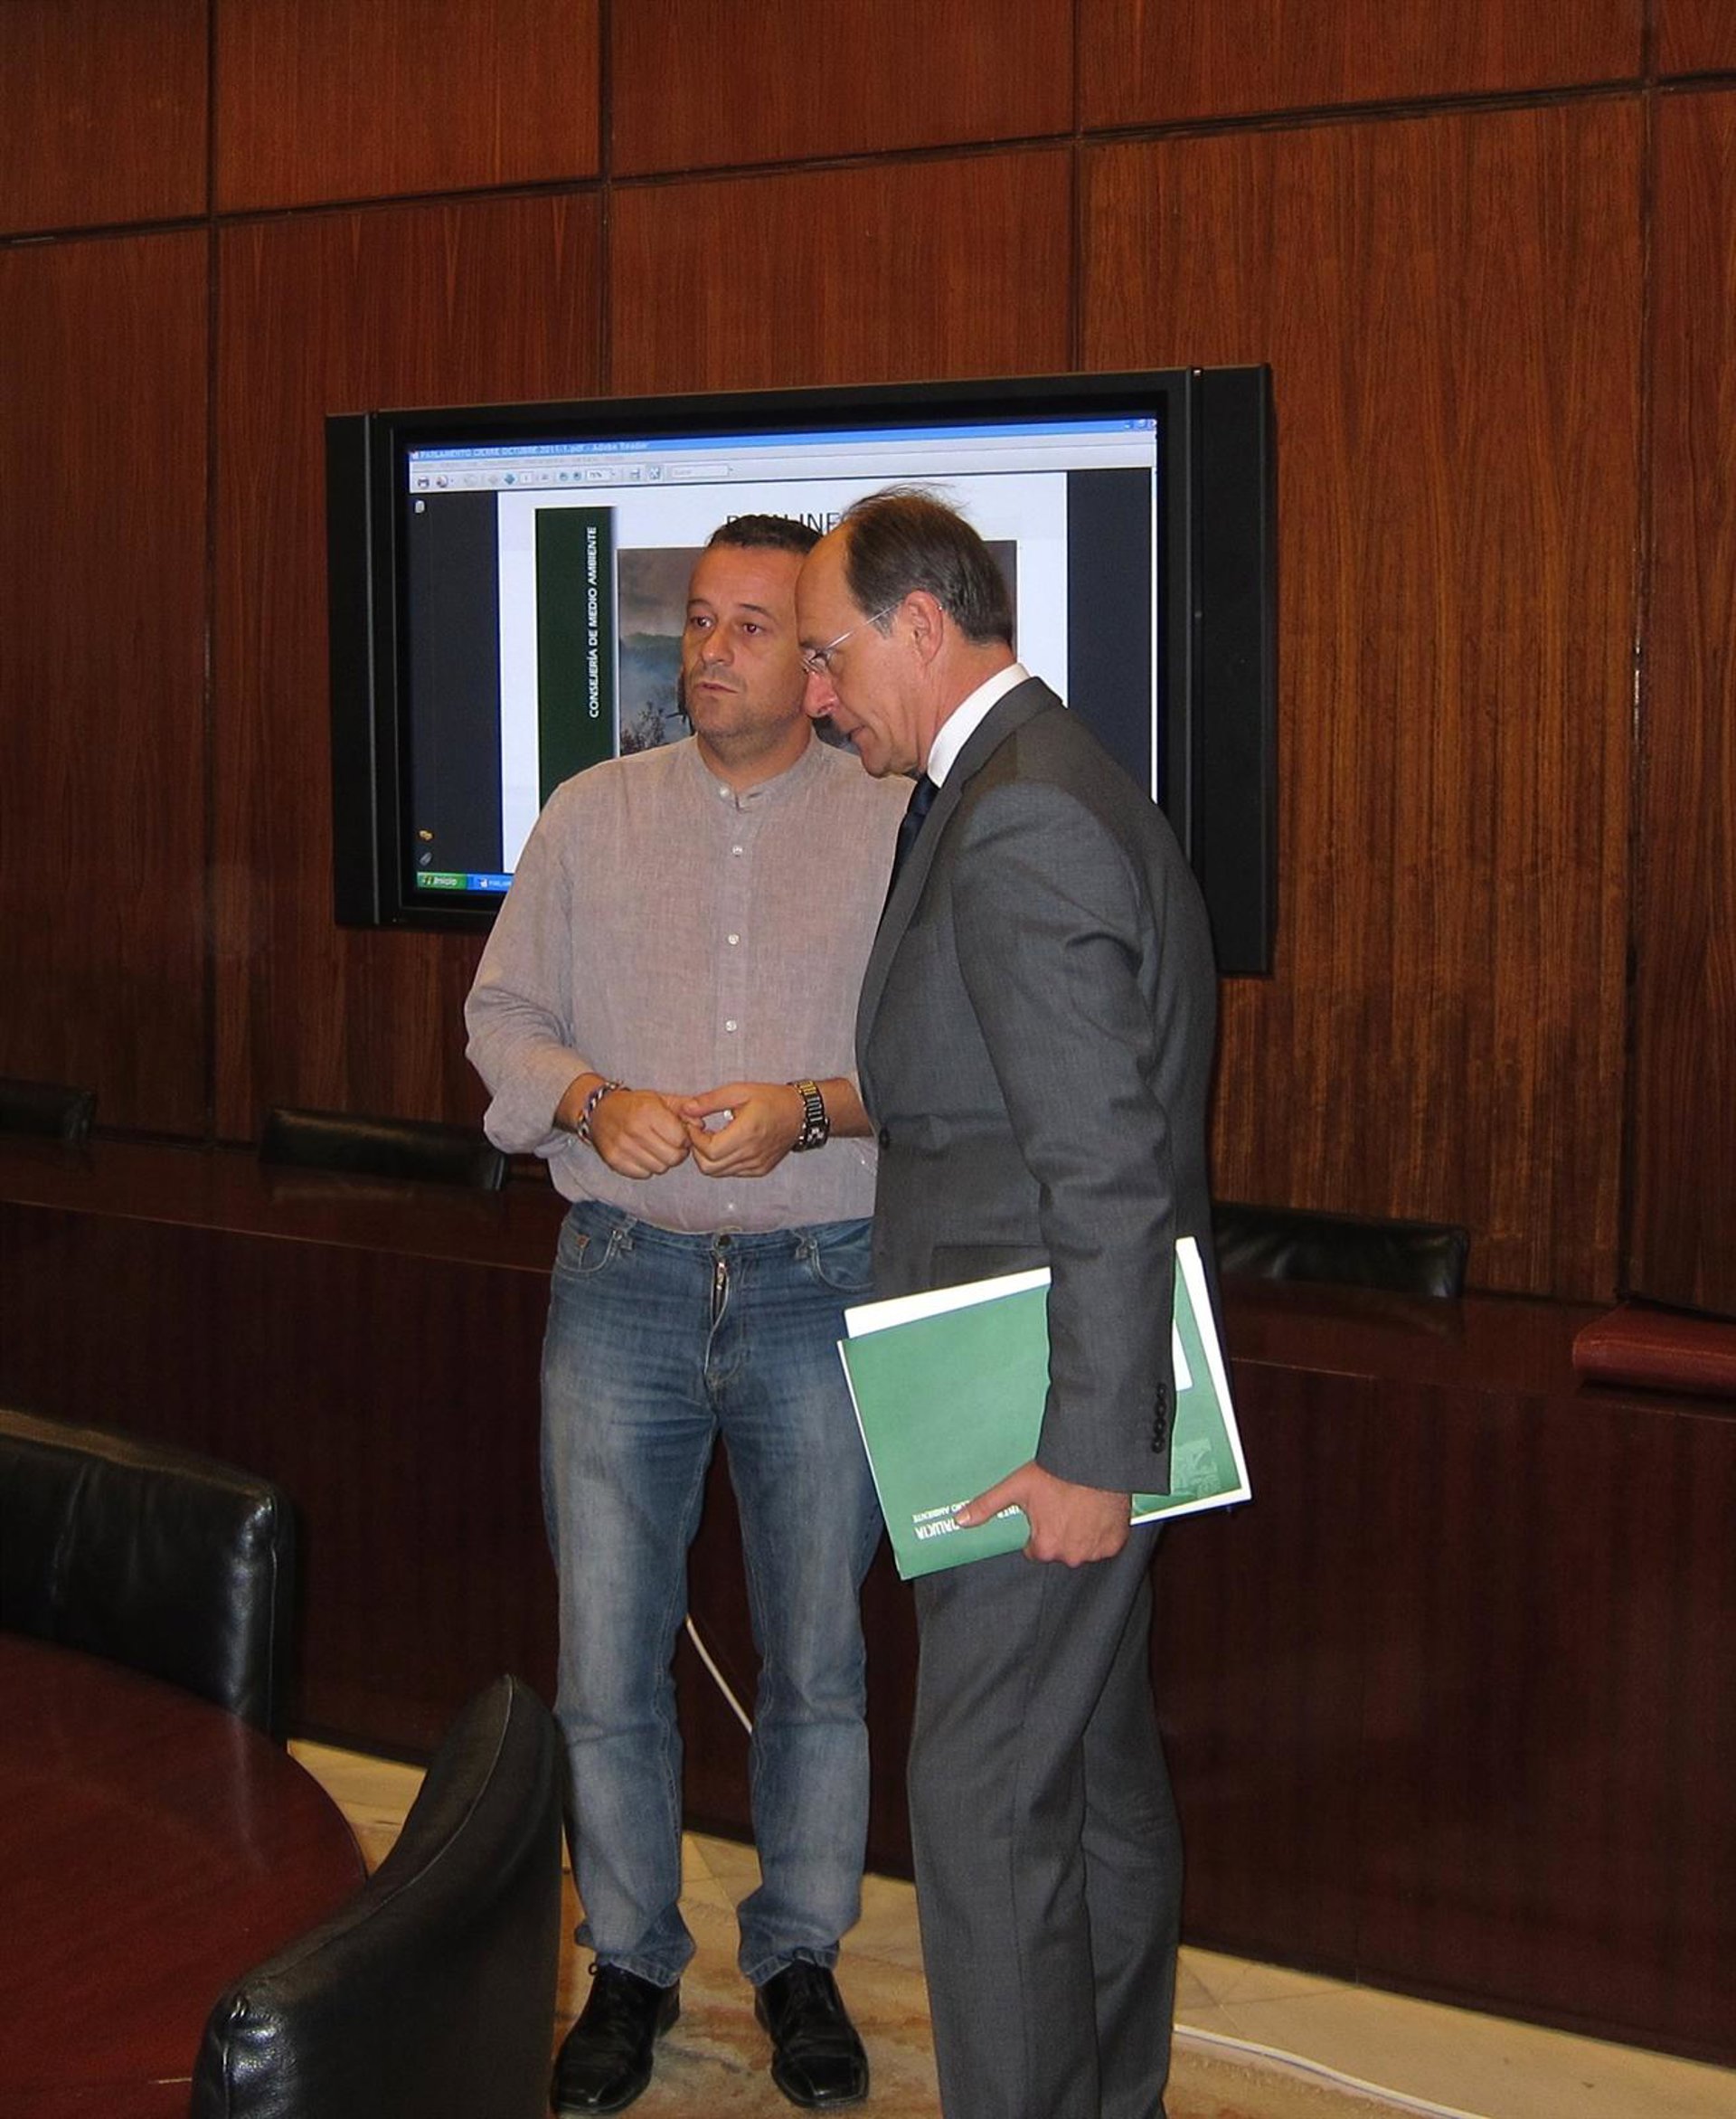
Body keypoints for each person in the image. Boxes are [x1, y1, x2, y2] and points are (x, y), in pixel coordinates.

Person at [466, 514, 908, 2115]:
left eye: (750, 627)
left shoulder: (898, 824)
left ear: (819, 665)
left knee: (817, 1663)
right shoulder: (590, 815)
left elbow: (950, 1063)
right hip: (622, 1286)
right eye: (697, 621)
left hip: (821, 1286)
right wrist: (588, 1097)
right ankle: (631, 1963)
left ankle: (800, 1955)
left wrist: (812, 1109)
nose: (707, 651)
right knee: (605, 1660)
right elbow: (501, 1015)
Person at [795, 489, 1218, 2119]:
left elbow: (1107, 1167)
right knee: (1088, 1783)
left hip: (1040, 1411)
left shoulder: (1024, 811)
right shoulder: (1023, 779)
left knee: (982, 1799)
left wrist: (1092, 1454)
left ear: (919, 625)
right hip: (1051, 1381)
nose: (818, 696)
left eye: (828, 656)